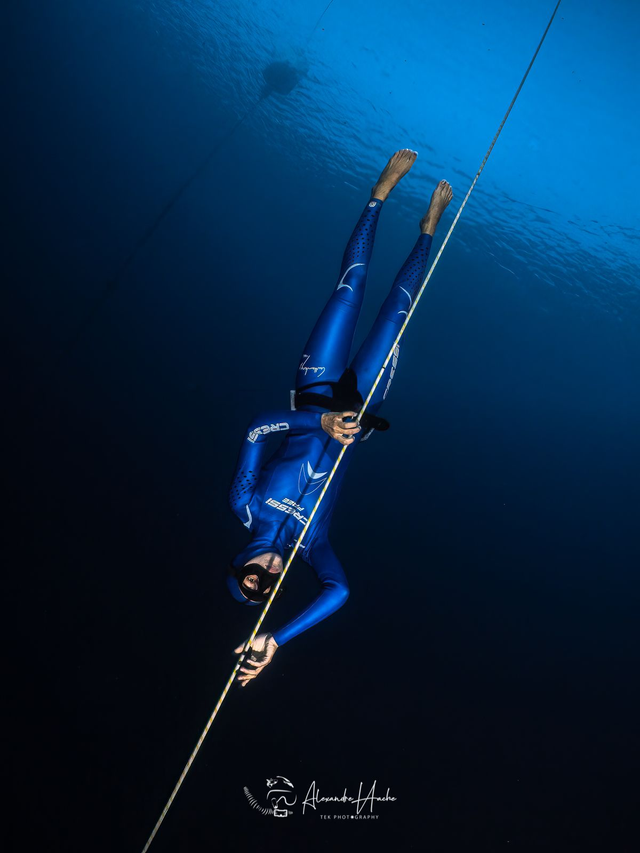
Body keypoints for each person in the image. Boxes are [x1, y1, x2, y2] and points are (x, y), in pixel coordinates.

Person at [227, 150, 453, 685]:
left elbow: (257, 430)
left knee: (350, 287)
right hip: (361, 404)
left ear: (240, 565)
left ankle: (379, 195)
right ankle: (428, 228)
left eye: (251, 578)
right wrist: (275, 640)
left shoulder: (245, 505)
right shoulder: (313, 546)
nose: (265, 576)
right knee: (398, 310)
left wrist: (318, 423)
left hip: (316, 386)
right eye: (267, 588)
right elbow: (340, 591)